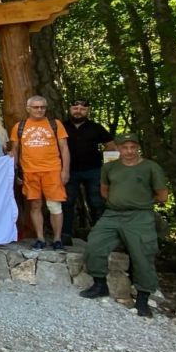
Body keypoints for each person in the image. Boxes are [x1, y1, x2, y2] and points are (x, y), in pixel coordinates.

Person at [79, 134, 167, 317]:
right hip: (112, 214)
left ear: (138, 148)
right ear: (118, 148)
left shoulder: (151, 167)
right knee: (95, 244)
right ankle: (99, 284)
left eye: (132, 147)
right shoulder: (110, 167)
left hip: (140, 216)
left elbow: (162, 195)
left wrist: (140, 202)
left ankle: (143, 298)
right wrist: (118, 201)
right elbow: (104, 191)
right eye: (124, 147)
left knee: (143, 254)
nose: (129, 151)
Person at [9, 95, 71, 251]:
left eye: (42, 107)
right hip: (29, 171)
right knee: (35, 205)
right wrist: (14, 171)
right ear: (28, 108)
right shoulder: (20, 126)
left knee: (55, 206)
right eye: (36, 107)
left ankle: (57, 239)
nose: (39, 110)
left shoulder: (55, 124)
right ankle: (40, 238)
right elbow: (15, 150)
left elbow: (64, 148)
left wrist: (65, 170)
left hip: (53, 170)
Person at [63, 99, 116, 244]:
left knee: (97, 203)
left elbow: (111, 146)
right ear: (70, 109)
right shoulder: (61, 126)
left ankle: (100, 236)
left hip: (93, 171)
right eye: (75, 108)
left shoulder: (96, 127)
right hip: (69, 171)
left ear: (88, 111)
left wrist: (106, 165)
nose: (78, 111)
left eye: (82, 109)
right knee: (67, 203)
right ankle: (65, 236)